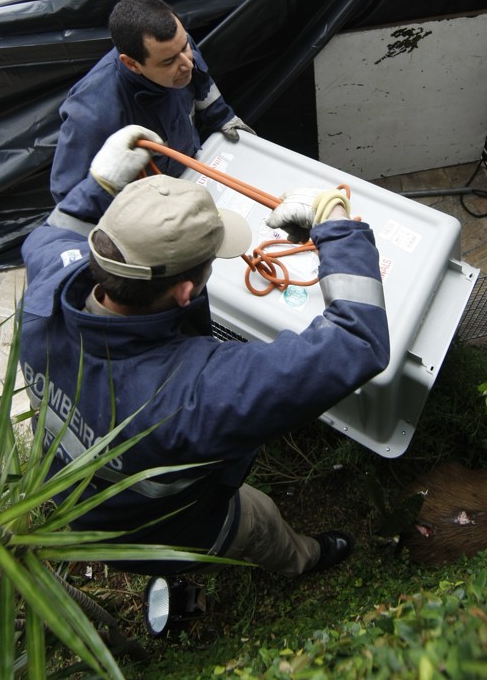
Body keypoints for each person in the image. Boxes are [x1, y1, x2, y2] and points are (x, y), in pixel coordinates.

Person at [20, 131, 390, 575]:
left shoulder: (47, 290)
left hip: (71, 506)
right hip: (161, 532)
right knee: (260, 520)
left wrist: (100, 183)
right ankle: (305, 559)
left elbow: (52, 235)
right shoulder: (191, 395)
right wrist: (336, 223)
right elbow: (356, 342)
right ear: (185, 292)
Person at [50, 0, 251, 218]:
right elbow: (69, 197)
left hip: (194, 173)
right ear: (132, 64)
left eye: (185, 48)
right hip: (151, 210)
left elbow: (203, 83)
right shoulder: (94, 111)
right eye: (168, 62)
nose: (187, 64)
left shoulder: (174, 44)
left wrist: (222, 117)